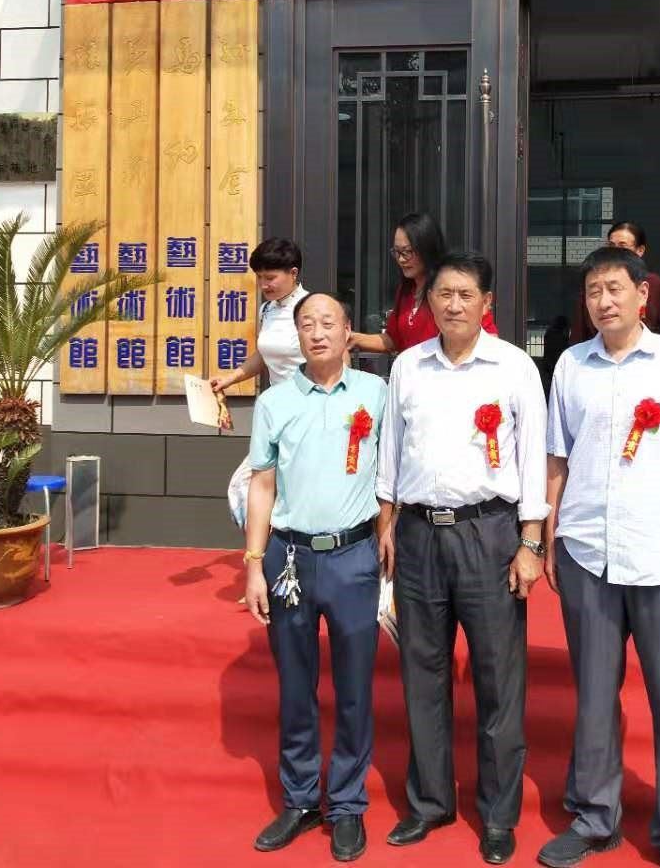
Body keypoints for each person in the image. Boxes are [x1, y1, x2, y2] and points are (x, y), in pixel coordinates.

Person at [538, 246, 660, 868]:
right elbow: (557, 458)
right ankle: (595, 817)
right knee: (594, 696)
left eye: (615, 288)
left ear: (642, 294)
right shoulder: (571, 365)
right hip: (587, 552)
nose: (604, 301)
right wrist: (548, 533)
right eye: (593, 290)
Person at [375, 251, 548, 866]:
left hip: (490, 533)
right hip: (419, 533)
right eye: (443, 294)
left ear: (486, 303)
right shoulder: (408, 366)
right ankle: (430, 802)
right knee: (422, 671)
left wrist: (531, 542)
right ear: (430, 301)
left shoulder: (514, 366)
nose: (453, 305)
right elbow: (391, 450)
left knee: (498, 678)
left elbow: (533, 456)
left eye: (465, 295)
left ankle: (498, 814)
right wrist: (387, 521)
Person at [243, 293, 389, 862]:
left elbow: (392, 476)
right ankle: (301, 799)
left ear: (348, 331)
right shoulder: (275, 402)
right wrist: (253, 564)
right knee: (295, 685)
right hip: (290, 559)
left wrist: (389, 535)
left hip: (354, 557)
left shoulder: (376, 394)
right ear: (297, 337)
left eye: (329, 323)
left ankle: (347, 803)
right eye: (307, 324)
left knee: (354, 688)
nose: (318, 332)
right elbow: (262, 484)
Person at [211, 238, 308, 529]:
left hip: (306, 411)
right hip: (275, 412)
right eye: (260, 277)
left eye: (270, 277)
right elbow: (264, 356)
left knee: (282, 489)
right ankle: (266, 550)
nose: (264, 284)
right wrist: (229, 379)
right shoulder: (268, 310)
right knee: (247, 488)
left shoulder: (311, 309)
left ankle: (275, 550)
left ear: (293, 273)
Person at [348, 212, 496, 355]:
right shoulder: (406, 291)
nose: (401, 259)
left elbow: (489, 339)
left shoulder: (449, 291)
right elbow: (393, 340)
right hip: (412, 368)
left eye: (407, 252)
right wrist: (354, 338)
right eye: (397, 252)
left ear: (426, 249)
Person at [570, 222, 660, 344]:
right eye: (611, 246)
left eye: (623, 246)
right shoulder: (594, 283)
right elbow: (580, 333)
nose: (615, 252)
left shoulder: (655, 283)